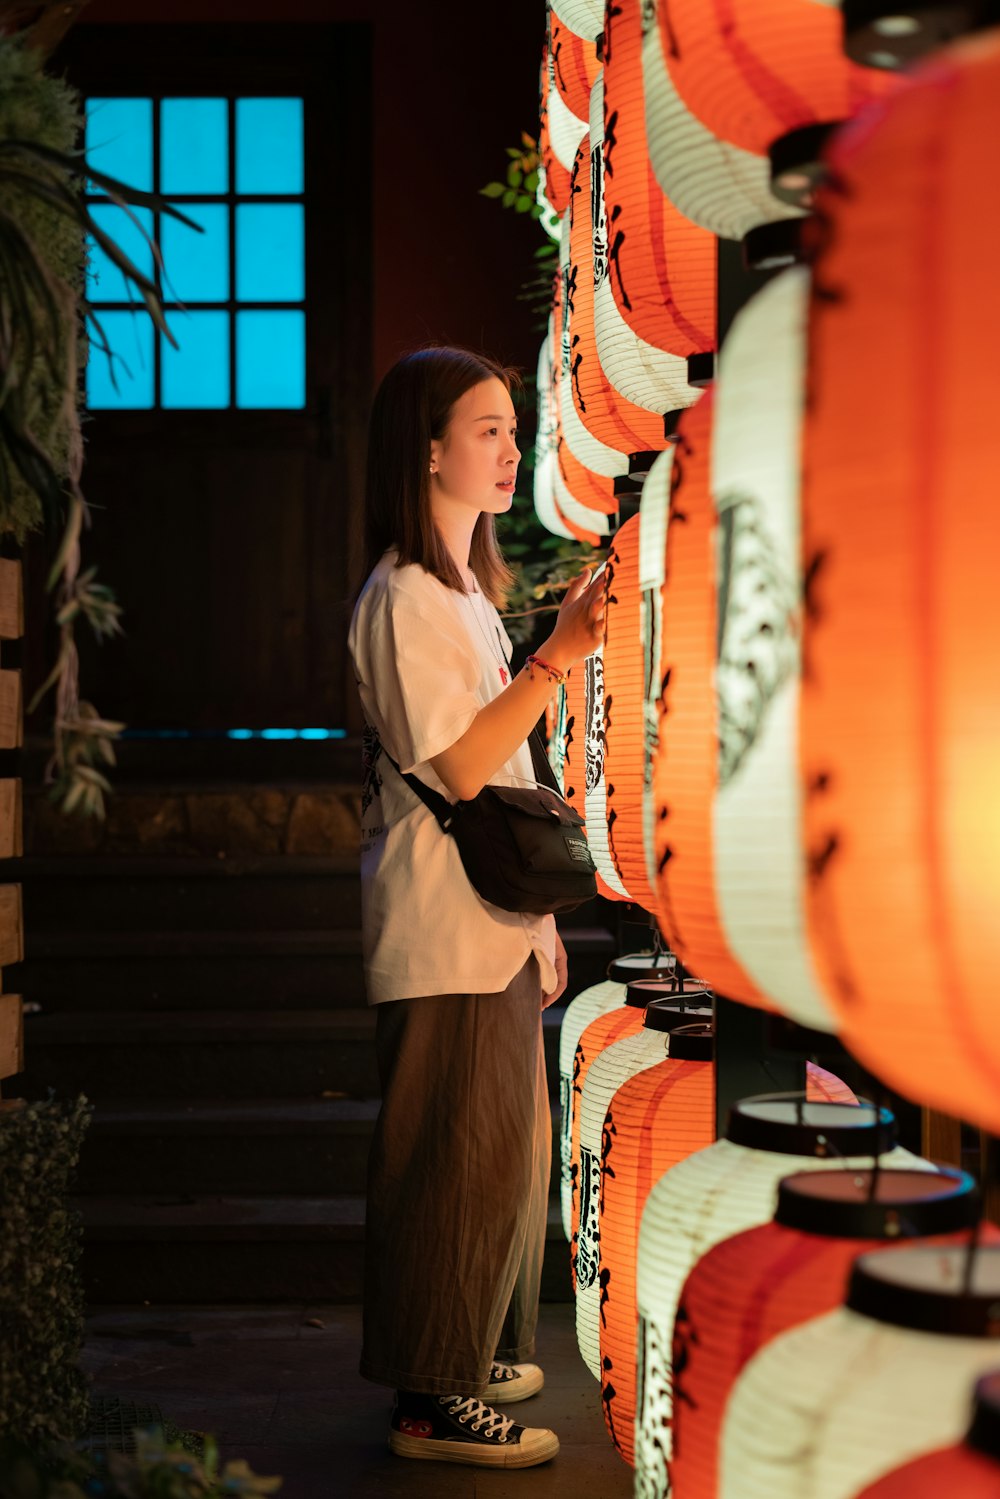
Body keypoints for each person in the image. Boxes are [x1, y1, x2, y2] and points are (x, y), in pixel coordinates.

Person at [348, 346, 604, 1471]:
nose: (510, 448)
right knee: (450, 1158)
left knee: (502, 1155)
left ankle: (464, 1353)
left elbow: (498, 782)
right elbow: (460, 768)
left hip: (488, 919)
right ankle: (431, 1396)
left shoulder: (460, 594)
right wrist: (558, 659)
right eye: (488, 428)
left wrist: (540, 916)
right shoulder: (403, 594)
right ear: (429, 447)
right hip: (440, 927)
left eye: (512, 428)